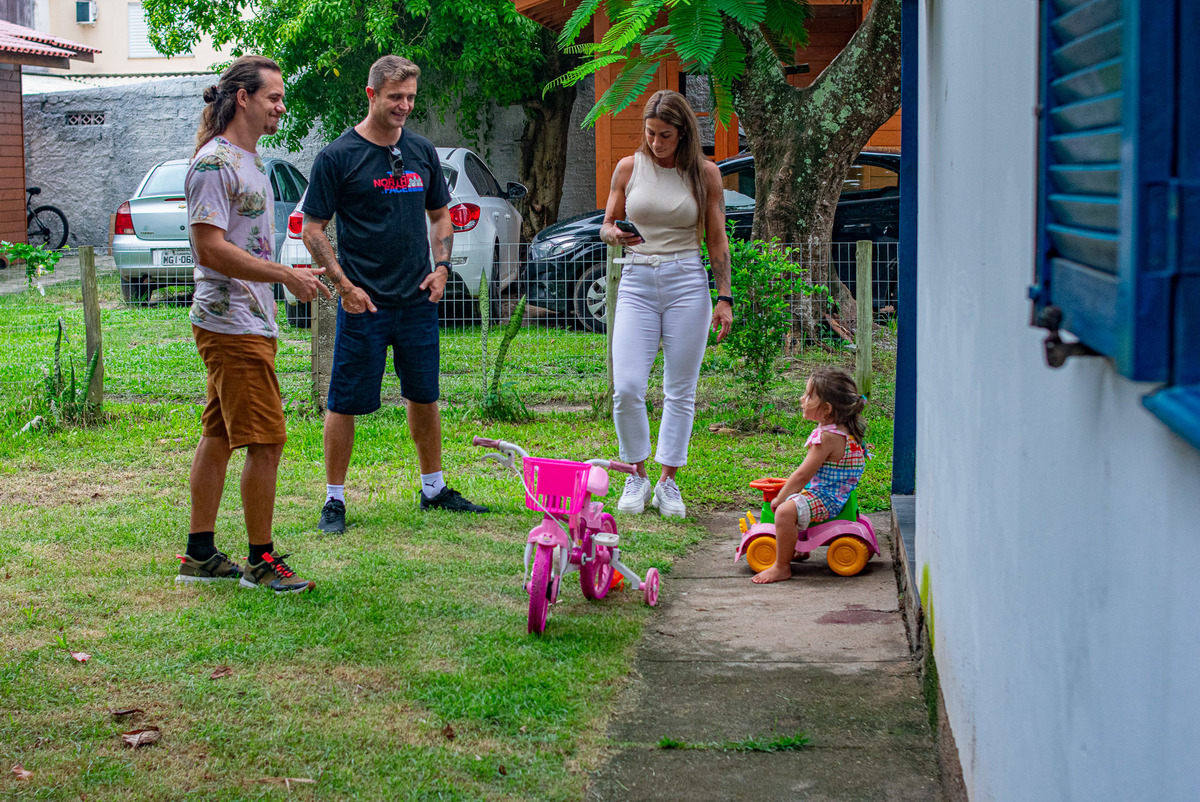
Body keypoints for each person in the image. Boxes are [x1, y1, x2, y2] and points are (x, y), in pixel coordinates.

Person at [301, 54, 488, 534]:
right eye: (394, 97)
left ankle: (434, 489)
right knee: (343, 401)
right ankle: (335, 501)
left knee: (424, 396)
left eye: (410, 97)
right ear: (371, 96)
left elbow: (440, 215)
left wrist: (443, 268)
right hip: (364, 304)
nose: (404, 106)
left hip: (417, 302)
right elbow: (313, 228)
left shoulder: (422, 151)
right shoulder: (337, 156)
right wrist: (343, 285)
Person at [176, 55, 331, 593]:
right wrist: (283, 275)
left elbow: (245, 244)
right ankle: (261, 564)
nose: (281, 107)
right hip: (230, 321)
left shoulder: (249, 161)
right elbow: (209, 249)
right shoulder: (214, 165)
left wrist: (282, 273)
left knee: (218, 434)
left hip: (248, 319)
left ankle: (199, 555)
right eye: (274, 97)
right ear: (243, 97)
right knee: (266, 440)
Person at [600, 89, 734, 518]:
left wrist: (724, 296)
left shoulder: (705, 174)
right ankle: (635, 475)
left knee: (680, 390)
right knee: (627, 387)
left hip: (687, 281)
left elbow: (717, 239)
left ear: (683, 134)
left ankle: (667, 482)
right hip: (637, 278)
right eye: (651, 133)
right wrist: (615, 235)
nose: (656, 143)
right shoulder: (627, 167)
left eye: (665, 136)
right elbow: (605, 225)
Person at [752, 368, 869, 584]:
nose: (801, 399)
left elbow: (802, 475)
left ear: (826, 409)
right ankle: (797, 549)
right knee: (794, 498)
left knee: (785, 512)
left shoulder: (827, 437)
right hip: (837, 492)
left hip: (827, 498)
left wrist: (780, 499)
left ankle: (781, 566)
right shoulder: (844, 429)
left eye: (808, 395)